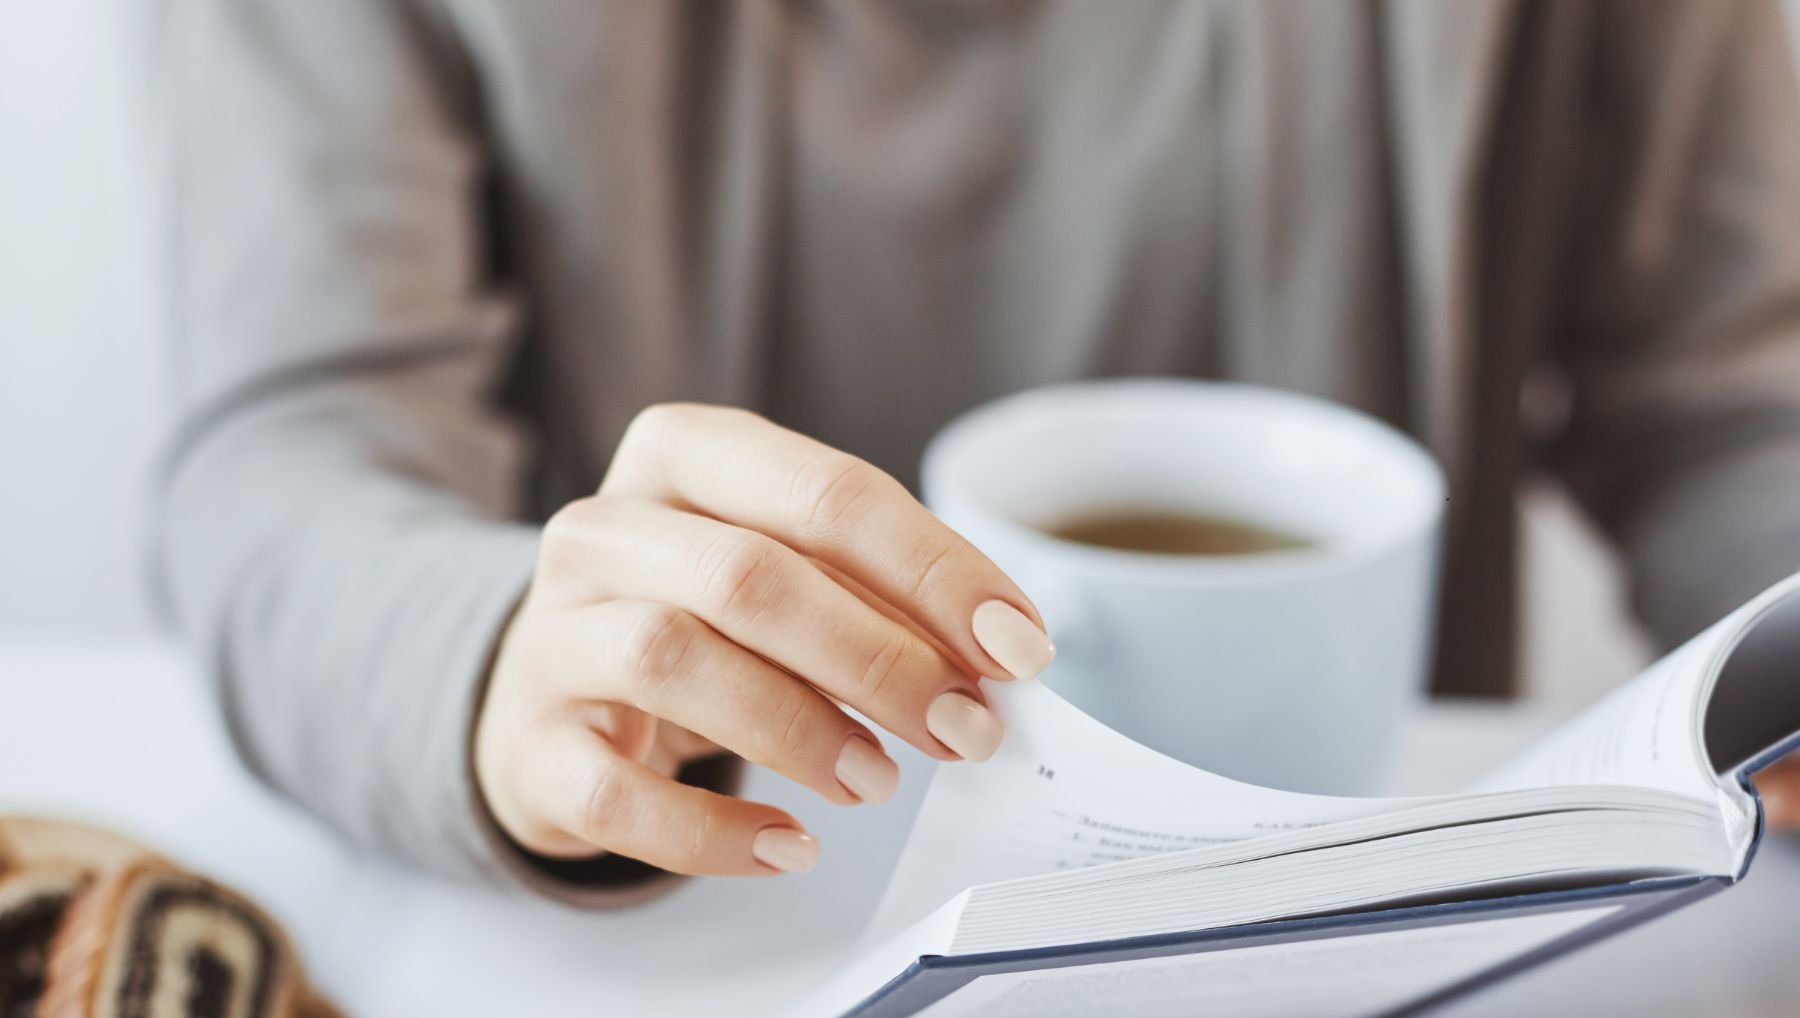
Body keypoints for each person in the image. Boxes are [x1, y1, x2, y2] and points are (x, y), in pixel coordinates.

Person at [154, 0, 1800, 901]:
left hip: (1408, 1007)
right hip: (706, 948)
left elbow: (1733, 386)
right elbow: (298, 446)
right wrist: (495, 660)